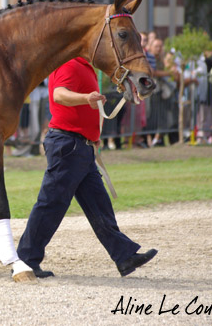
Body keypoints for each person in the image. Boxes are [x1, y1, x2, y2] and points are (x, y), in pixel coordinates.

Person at [16, 57, 157, 278]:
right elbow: (58, 95)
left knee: (99, 205)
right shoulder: (69, 64)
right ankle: (25, 260)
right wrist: (85, 98)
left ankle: (124, 256)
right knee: (51, 204)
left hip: (80, 147)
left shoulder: (84, 66)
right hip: (69, 146)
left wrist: (92, 136)